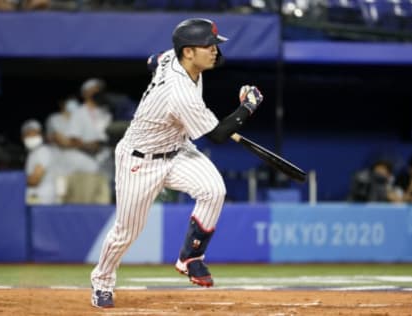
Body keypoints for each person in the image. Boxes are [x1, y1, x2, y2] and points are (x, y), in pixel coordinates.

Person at [90, 18, 263, 308]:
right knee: (126, 232)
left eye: (214, 46)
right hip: (140, 160)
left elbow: (152, 60)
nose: (215, 52)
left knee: (213, 190)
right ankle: (102, 281)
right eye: (209, 46)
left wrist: (165, 62)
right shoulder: (180, 93)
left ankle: (190, 256)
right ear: (188, 52)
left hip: (177, 149)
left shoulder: (173, 56)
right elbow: (219, 135)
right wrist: (247, 106)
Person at [21, 119, 60, 205]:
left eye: (35, 133)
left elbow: (35, 180)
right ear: (23, 137)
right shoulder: (33, 153)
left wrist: (14, 181)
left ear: (41, 135)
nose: (32, 136)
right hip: (34, 198)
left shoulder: (42, 151)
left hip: (42, 199)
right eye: (28, 134)